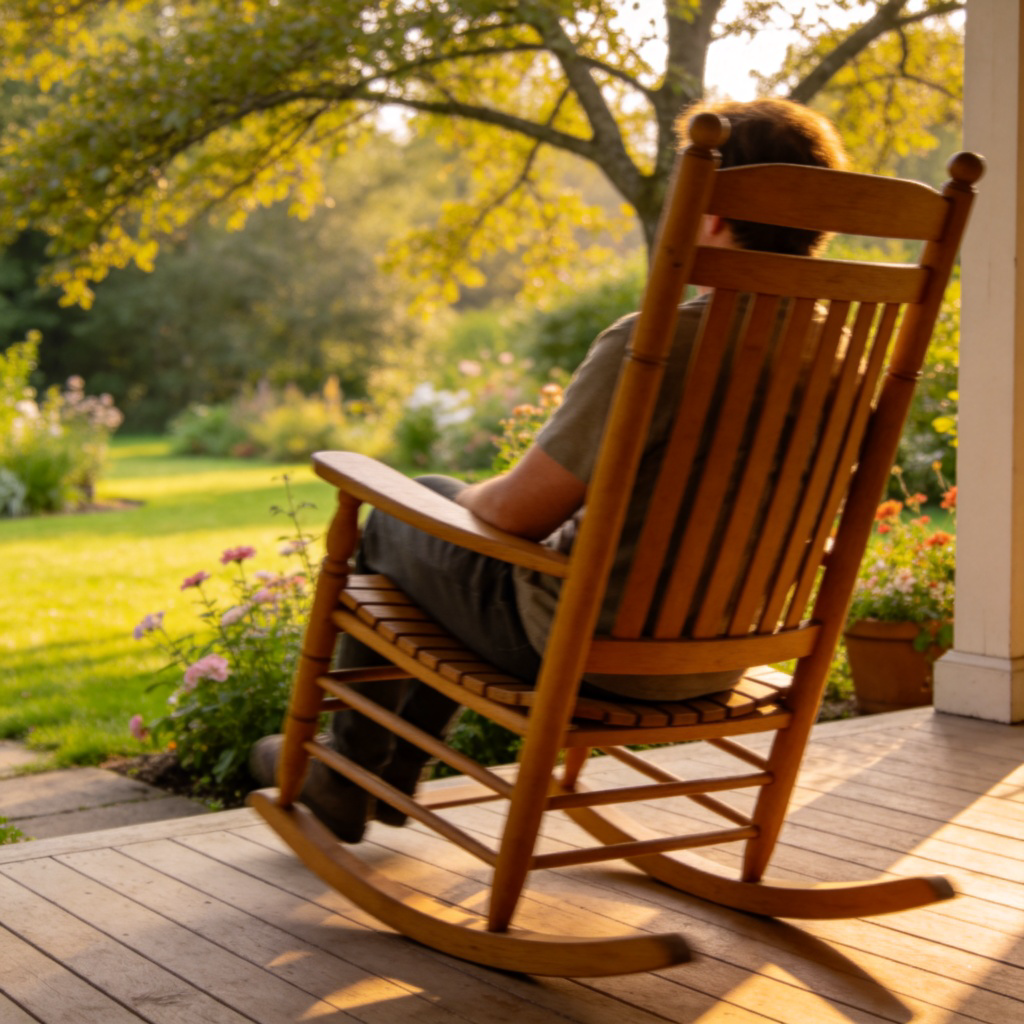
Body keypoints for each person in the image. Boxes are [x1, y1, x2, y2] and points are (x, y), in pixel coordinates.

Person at [250, 98, 850, 841]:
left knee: (408, 511)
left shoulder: (660, 344)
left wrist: (464, 499)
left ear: (715, 214)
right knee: (449, 527)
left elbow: (513, 515)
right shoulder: (847, 361)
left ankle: (348, 770)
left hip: (587, 653)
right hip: (719, 664)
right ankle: (387, 770)